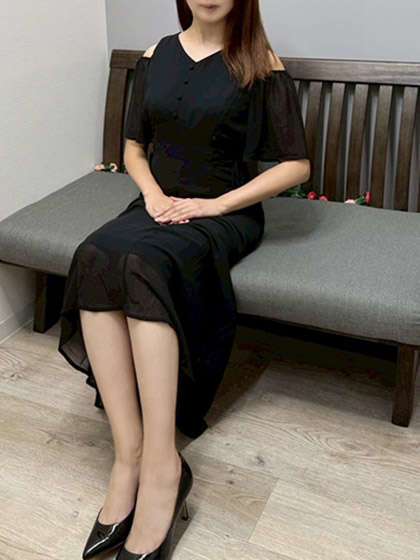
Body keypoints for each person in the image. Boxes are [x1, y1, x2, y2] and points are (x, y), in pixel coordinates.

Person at [57, 0, 310, 558]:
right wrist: (152, 196)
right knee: (95, 255)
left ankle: (163, 467)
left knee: (145, 265)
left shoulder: (258, 62)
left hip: (223, 213)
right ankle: (128, 457)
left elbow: (296, 165)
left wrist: (216, 206)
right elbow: (133, 149)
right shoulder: (157, 55)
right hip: (158, 204)